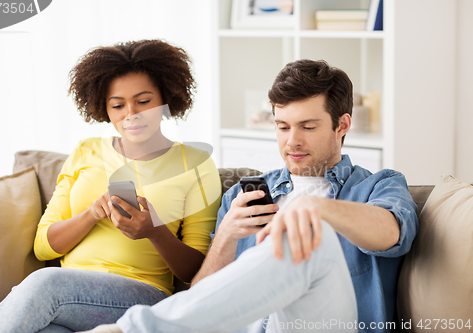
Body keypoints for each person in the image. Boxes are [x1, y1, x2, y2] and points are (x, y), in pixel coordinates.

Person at [80, 59, 419, 333]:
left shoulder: (379, 185)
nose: (292, 141)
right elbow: (201, 300)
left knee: (308, 237)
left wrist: (312, 207)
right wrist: (227, 235)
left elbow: (392, 234)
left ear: (342, 125)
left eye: (308, 127)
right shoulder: (243, 197)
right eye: (282, 127)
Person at [0, 40, 221, 333]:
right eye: (118, 105)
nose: (131, 114)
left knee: (45, 282)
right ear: (104, 108)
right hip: (68, 297)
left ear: (166, 98)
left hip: (141, 295)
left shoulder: (196, 164)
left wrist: (154, 231)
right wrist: (92, 214)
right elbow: (43, 247)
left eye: (143, 101)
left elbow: (196, 272)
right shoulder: (86, 150)